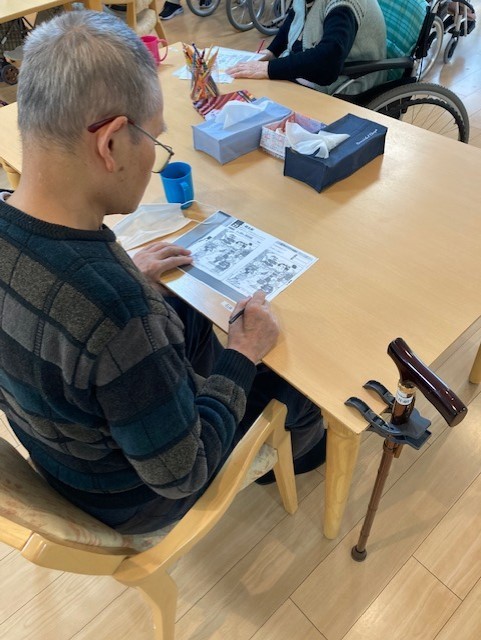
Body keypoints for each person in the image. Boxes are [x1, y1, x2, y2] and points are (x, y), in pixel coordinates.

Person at [0, 10, 325, 535]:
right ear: (110, 144)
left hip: (61, 452)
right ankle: (304, 456)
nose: (156, 153)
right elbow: (182, 473)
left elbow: (60, 310)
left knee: (185, 309)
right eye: (155, 138)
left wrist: (126, 275)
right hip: (132, 498)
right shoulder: (120, 314)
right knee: (300, 389)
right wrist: (242, 354)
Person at [227, 0, 387, 95]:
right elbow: (295, 16)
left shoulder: (344, 4)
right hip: (313, 71)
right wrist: (271, 52)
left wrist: (269, 68)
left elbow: (329, 61)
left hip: (348, 83)